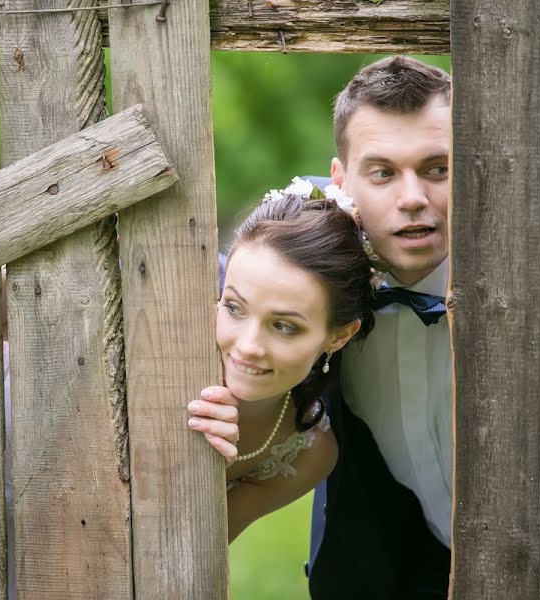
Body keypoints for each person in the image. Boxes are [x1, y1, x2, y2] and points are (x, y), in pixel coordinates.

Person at [192, 56, 453, 598]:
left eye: (437, 168)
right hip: (388, 570)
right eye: (382, 172)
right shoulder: (307, 272)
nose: (411, 198)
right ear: (342, 182)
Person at [186, 180, 375, 541]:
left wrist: (199, 480)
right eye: (234, 308)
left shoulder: (309, 454)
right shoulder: (164, 346)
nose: (248, 345)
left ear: (339, 336)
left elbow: (191, 553)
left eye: (285, 326)